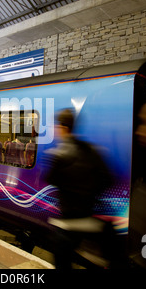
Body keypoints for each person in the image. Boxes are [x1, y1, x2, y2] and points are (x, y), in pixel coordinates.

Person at [44, 109, 114, 269]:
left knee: (62, 259)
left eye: (56, 126)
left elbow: (50, 178)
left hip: (68, 224)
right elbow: (108, 179)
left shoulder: (58, 155)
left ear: (63, 128)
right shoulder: (92, 150)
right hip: (90, 222)